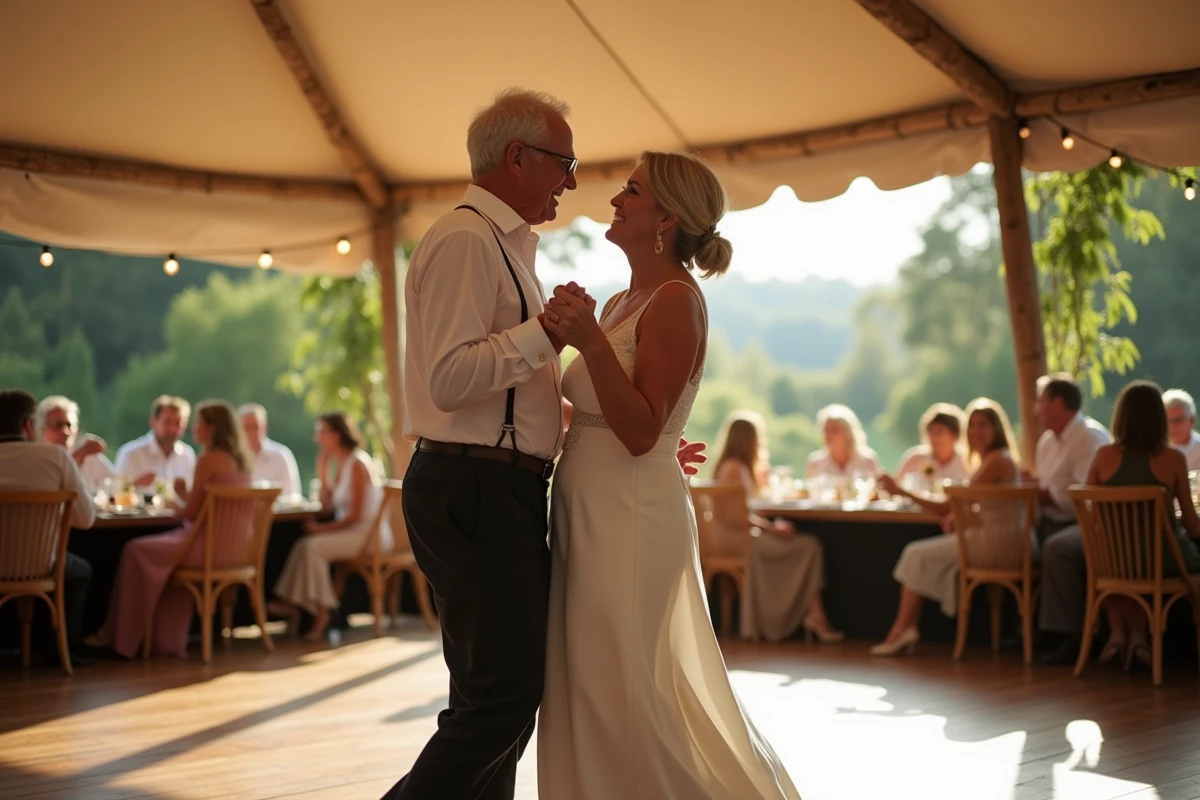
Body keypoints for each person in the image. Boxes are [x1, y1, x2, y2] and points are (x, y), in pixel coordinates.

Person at [389, 89, 704, 800]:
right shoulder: (469, 240)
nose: (572, 181)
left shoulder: (508, 248)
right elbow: (449, 378)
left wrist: (627, 446)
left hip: (517, 489)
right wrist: (549, 334)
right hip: (477, 488)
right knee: (501, 696)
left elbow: (553, 401)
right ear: (518, 158)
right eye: (565, 163)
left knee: (502, 692)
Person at [540, 151, 799, 798]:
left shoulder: (677, 299)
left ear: (667, 219)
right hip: (592, 501)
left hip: (630, 511)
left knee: (623, 684)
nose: (614, 200)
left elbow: (639, 431)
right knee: (589, 678)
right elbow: (622, 421)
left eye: (631, 191)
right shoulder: (628, 297)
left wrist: (589, 342)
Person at [85, 400, 251, 658]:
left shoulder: (208, 458)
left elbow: (190, 513)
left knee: (135, 550)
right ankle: (165, 642)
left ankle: (120, 640)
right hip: (235, 551)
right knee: (162, 560)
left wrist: (177, 499)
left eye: (196, 423)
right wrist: (185, 495)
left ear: (212, 428)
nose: (192, 428)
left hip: (204, 548)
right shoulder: (242, 462)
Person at [871, 398, 1022, 655]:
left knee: (915, 553)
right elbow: (978, 505)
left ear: (997, 429)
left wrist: (900, 491)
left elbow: (948, 507)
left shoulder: (996, 461)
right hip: (1003, 539)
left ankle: (901, 630)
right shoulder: (993, 460)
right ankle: (906, 628)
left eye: (983, 425)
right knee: (924, 553)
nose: (976, 431)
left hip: (1000, 545)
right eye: (972, 425)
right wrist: (960, 514)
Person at [1085, 380, 1200, 670]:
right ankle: (1146, 641)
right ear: (1159, 418)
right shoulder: (1173, 459)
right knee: (1163, 557)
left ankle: (1124, 635)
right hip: (1162, 560)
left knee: (1124, 561)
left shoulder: (1102, 457)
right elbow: (1191, 523)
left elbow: (1091, 515)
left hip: (1112, 561)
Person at [712, 410, 841, 643]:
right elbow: (734, 517)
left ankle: (813, 614)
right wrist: (771, 529)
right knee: (809, 546)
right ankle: (809, 615)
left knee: (805, 544)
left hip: (744, 535)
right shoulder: (733, 469)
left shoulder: (738, 467)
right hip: (741, 540)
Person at [269, 412, 386, 641]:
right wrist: (323, 471)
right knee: (304, 545)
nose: (317, 438)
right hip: (351, 532)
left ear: (337, 435)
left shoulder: (358, 464)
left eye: (321, 432)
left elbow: (355, 516)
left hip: (366, 535)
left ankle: (321, 612)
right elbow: (326, 507)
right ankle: (296, 603)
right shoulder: (342, 465)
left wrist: (320, 530)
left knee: (312, 547)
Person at [0, 389, 96, 667]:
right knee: (81, 570)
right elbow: (85, 520)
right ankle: (60, 649)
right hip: (42, 566)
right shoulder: (55, 458)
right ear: (29, 426)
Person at [1032, 373, 1113, 664]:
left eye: (1040, 401)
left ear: (1058, 403)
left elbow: (1086, 496)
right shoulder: (1046, 441)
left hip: (1089, 524)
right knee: (1019, 540)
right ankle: (1032, 629)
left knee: (1057, 548)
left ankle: (1074, 636)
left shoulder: (1089, 437)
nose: (1035, 409)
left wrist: (1043, 494)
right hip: (1052, 519)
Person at [36, 395, 117, 493]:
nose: (65, 432)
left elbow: (118, 487)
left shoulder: (89, 457)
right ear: (41, 428)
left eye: (69, 425)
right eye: (58, 425)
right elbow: (53, 487)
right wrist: (79, 456)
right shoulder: (33, 461)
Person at [114, 395, 196, 488]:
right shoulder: (131, 454)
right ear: (153, 422)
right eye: (167, 422)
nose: (172, 429)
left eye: (178, 423)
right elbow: (116, 493)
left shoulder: (187, 455)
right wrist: (134, 484)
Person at [895, 403, 969, 487]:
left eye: (939, 432)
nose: (933, 437)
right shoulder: (915, 458)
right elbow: (895, 487)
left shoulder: (967, 463)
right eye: (930, 431)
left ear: (954, 435)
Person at [238, 403, 302, 497]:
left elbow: (292, 494)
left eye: (255, 427)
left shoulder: (281, 455)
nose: (251, 432)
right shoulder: (232, 459)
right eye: (246, 427)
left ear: (265, 428)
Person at [807, 403, 880, 479]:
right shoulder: (815, 462)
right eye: (826, 430)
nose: (829, 435)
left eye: (834, 430)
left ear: (848, 432)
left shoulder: (867, 461)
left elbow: (876, 489)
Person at [1163, 389, 1200, 470]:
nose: (1172, 426)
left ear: (1192, 420)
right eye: (1167, 421)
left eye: (1178, 420)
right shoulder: (1154, 451)